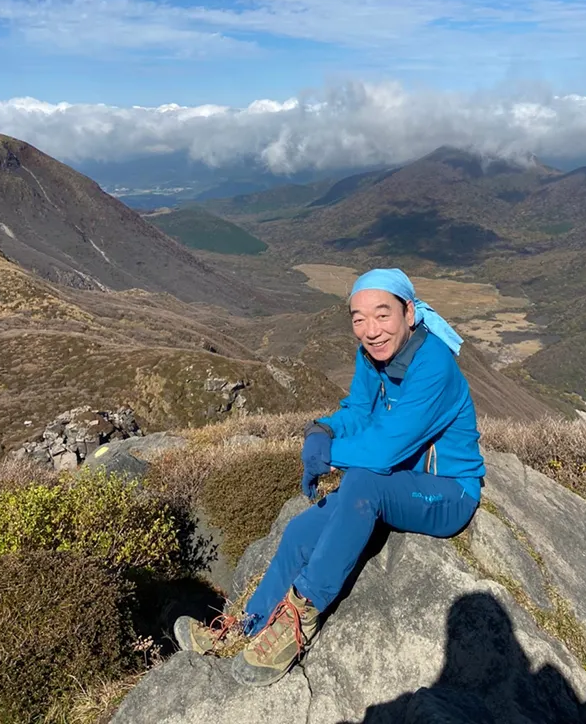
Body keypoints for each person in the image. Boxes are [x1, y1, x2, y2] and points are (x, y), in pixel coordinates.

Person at [174, 268, 485, 687]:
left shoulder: (434, 366)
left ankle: (301, 617)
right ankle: (245, 626)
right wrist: (324, 429)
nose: (370, 330)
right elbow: (358, 411)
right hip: (397, 482)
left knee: (361, 480)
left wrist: (328, 456)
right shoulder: (373, 357)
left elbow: (384, 450)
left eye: (382, 315)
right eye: (359, 318)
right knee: (301, 530)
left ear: (409, 313)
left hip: (447, 493)